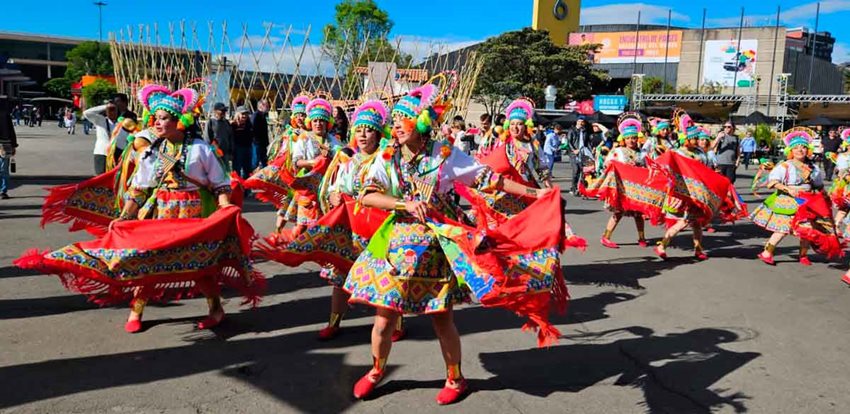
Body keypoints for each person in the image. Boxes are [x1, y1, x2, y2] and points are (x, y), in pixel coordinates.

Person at [345, 85, 564, 405]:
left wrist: (536, 195)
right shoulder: (387, 156)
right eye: (394, 123)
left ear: (420, 124)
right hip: (396, 249)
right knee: (383, 320)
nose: (395, 128)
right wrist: (403, 205)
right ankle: (376, 370)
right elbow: (366, 194)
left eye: (402, 122)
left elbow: (491, 180)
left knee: (441, 318)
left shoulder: (443, 154)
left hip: (437, 247)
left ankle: (456, 378)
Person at [751, 128, 828, 266]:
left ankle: (803, 255)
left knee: (807, 230)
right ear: (790, 151)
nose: (800, 150)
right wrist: (787, 189)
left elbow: (819, 185)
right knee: (782, 229)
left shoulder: (813, 168)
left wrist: (826, 197)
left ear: (808, 150)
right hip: (787, 201)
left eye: (803, 147)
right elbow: (772, 182)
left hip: (806, 201)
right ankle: (767, 252)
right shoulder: (785, 166)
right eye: (796, 148)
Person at [655, 125, 711, 261]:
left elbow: (706, 169)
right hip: (684, 193)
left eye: (698, 138)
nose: (698, 140)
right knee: (684, 222)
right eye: (695, 138)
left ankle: (698, 250)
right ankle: (662, 246)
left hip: (697, 192)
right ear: (687, 138)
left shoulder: (700, 152)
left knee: (696, 223)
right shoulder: (678, 153)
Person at [289, 98, 343, 237]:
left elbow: (342, 159)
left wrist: (331, 157)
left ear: (327, 123)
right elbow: (296, 162)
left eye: (321, 121)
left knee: (323, 226)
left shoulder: (334, 140)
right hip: (308, 188)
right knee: (301, 225)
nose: (318, 124)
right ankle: (291, 251)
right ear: (310, 123)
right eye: (315, 121)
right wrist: (315, 162)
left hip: (327, 188)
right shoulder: (304, 138)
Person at [600, 115, 648, 249]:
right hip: (622, 187)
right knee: (618, 213)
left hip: (637, 187)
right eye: (628, 138)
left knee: (639, 214)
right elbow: (607, 163)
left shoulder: (642, 153)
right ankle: (606, 237)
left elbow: (647, 167)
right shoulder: (619, 151)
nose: (631, 140)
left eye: (633, 138)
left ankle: (642, 237)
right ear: (623, 139)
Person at [84, 102, 118, 175]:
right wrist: (105, 106)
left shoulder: (121, 123)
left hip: (116, 154)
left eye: (114, 109)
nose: (112, 112)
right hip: (102, 153)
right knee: (100, 177)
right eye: (110, 110)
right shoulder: (100, 120)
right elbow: (86, 113)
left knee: (114, 178)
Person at [206, 102, 234, 168]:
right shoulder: (211, 122)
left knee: (226, 172)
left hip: (226, 154)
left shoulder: (226, 122)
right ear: (215, 111)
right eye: (222, 110)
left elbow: (230, 137)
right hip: (215, 153)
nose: (223, 112)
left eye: (224, 111)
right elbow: (207, 139)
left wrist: (231, 151)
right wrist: (211, 151)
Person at [567, 117, 591, 194]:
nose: (580, 123)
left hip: (583, 153)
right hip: (574, 153)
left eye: (582, 121)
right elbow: (569, 141)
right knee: (576, 170)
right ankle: (573, 188)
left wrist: (590, 150)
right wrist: (574, 150)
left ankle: (580, 188)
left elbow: (587, 142)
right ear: (576, 121)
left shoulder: (585, 131)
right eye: (579, 121)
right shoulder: (572, 130)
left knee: (583, 170)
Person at [231, 106, 255, 178]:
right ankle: (237, 187)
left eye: (246, 114)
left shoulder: (249, 123)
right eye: (243, 114)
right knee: (237, 169)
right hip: (237, 148)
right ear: (238, 114)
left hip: (248, 147)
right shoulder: (233, 124)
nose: (244, 116)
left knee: (248, 169)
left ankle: (247, 188)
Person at [1, 101, 18, 199]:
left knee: (3, 169)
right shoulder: (5, 114)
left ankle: (2, 189)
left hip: (4, 143)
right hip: (6, 144)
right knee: (4, 169)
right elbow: (11, 130)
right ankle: (3, 191)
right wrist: (14, 145)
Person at [251, 99, 271, 168]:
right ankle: (251, 176)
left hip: (262, 143)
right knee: (255, 161)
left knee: (264, 161)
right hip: (257, 143)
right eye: (267, 105)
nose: (268, 107)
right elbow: (252, 128)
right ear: (261, 105)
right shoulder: (256, 116)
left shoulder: (263, 116)